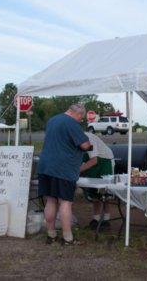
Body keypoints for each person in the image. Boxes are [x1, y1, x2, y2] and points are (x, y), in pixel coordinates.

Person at [37, 104, 91, 246]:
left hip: (45, 166)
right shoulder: (72, 123)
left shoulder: (52, 120)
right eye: (82, 118)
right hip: (63, 168)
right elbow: (85, 145)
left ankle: (51, 235)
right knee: (65, 201)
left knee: (51, 200)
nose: (81, 121)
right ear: (78, 114)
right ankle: (68, 238)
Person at [80, 132, 115, 230]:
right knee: (94, 191)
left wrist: (78, 171)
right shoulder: (73, 138)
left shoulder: (87, 138)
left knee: (105, 191)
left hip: (105, 161)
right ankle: (96, 218)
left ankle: (106, 219)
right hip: (92, 162)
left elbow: (94, 160)